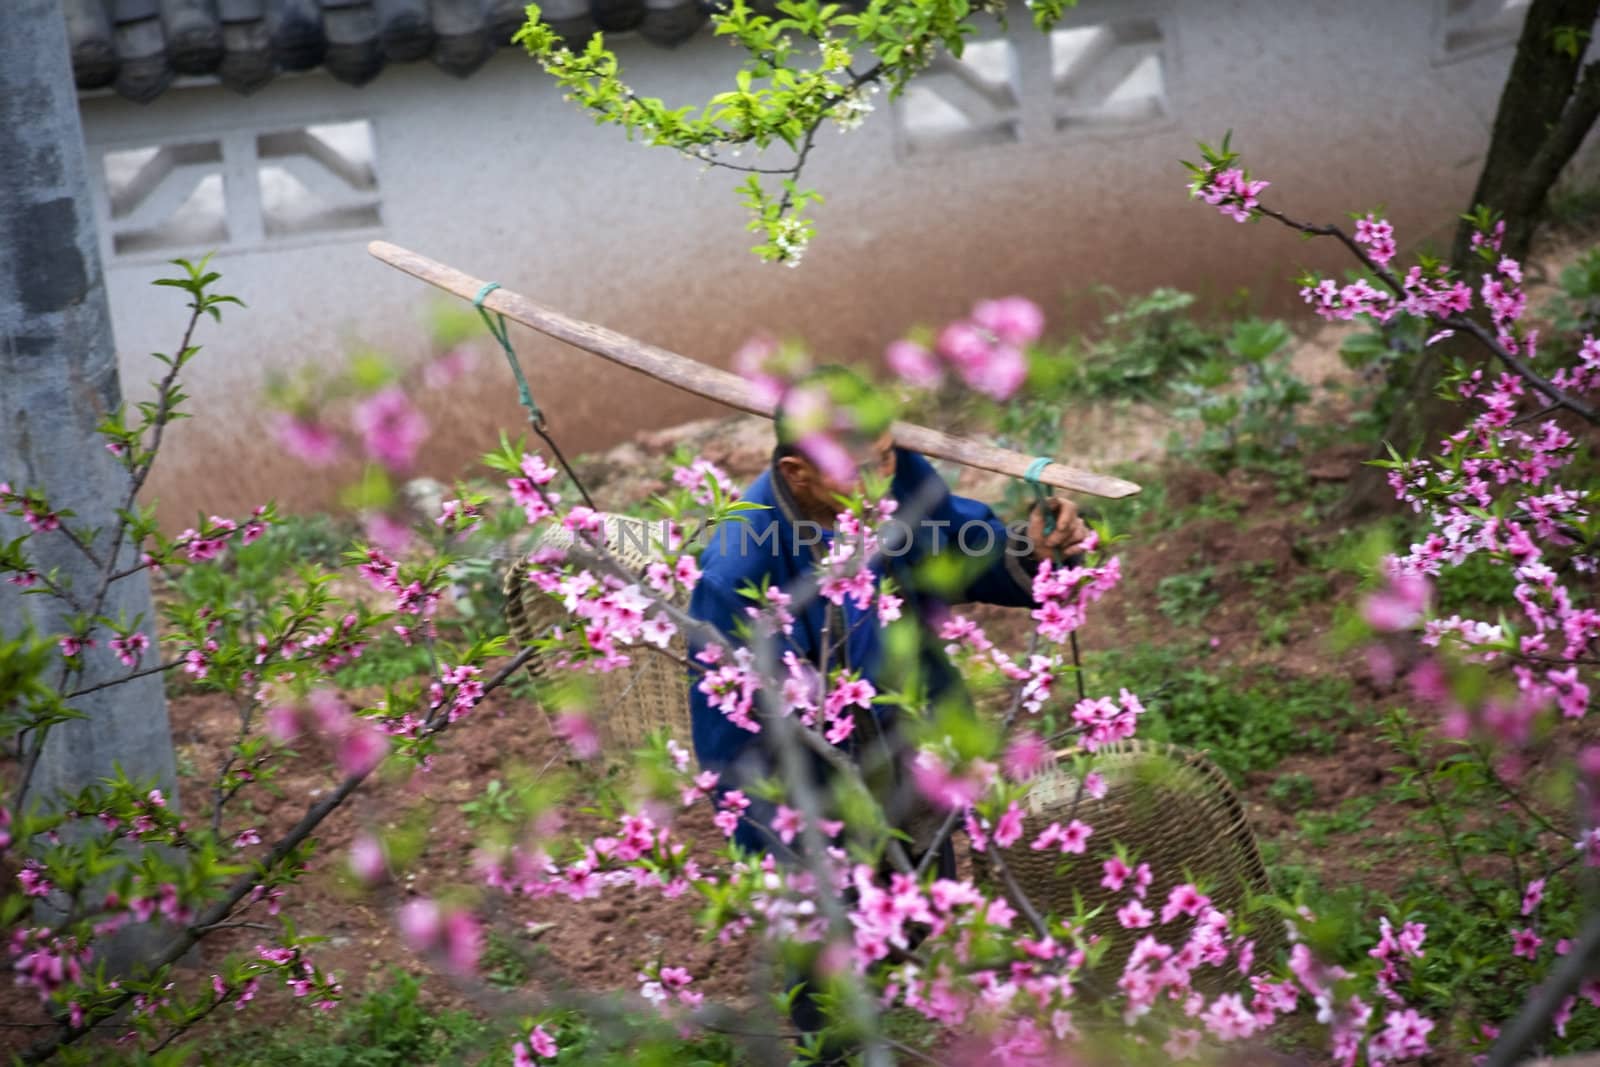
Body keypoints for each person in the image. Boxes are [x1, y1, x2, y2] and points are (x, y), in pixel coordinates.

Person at [684, 364, 1090, 869]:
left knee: (929, 890)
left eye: (885, 458)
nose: (879, 484)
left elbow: (957, 552)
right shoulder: (739, 572)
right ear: (796, 473)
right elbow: (736, 754)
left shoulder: (898, 478)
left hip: (913, 736)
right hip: (821, 789)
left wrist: (1035, 553)